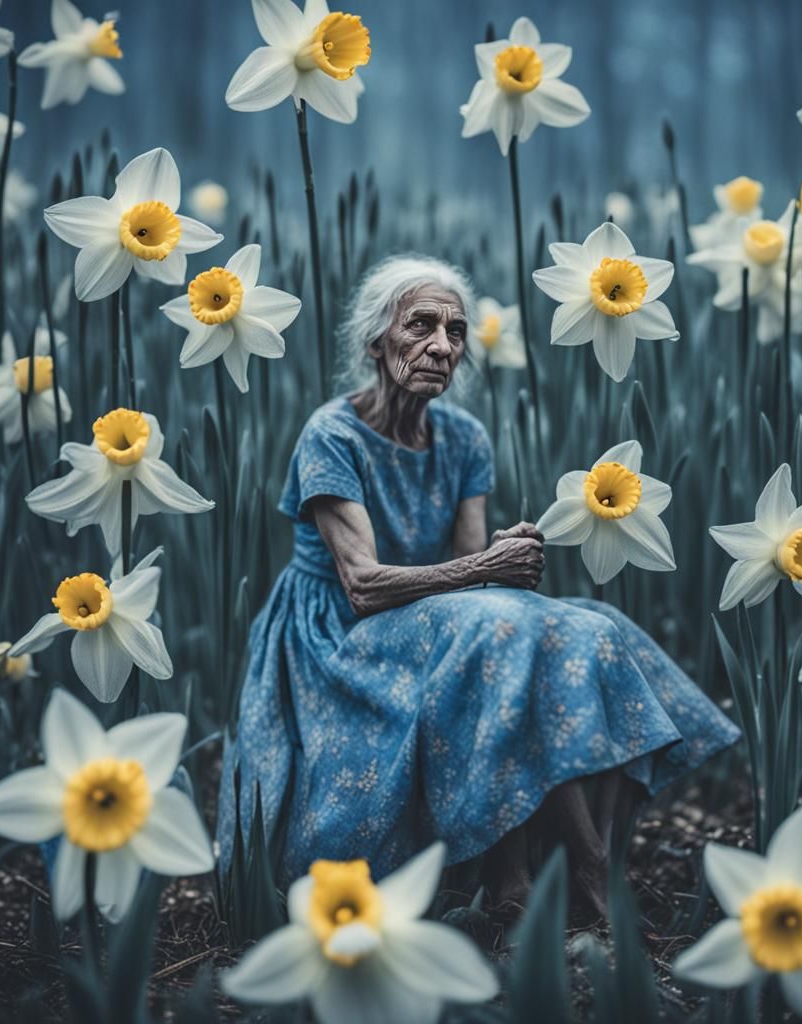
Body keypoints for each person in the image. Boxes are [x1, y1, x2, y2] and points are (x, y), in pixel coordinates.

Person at [217, 254, 739, 917]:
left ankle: (580, 858)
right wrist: (486, 569)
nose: (443, 345)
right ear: (376, 344)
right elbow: (363, 587)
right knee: (504, 630)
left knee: (596, 628)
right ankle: (536, 876)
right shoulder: (332, 436)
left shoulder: (463, 437)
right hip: (338, 633)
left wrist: (498, 555)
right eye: (421, 326)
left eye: (456, 331)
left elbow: (480, 586)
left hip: (433, 615)